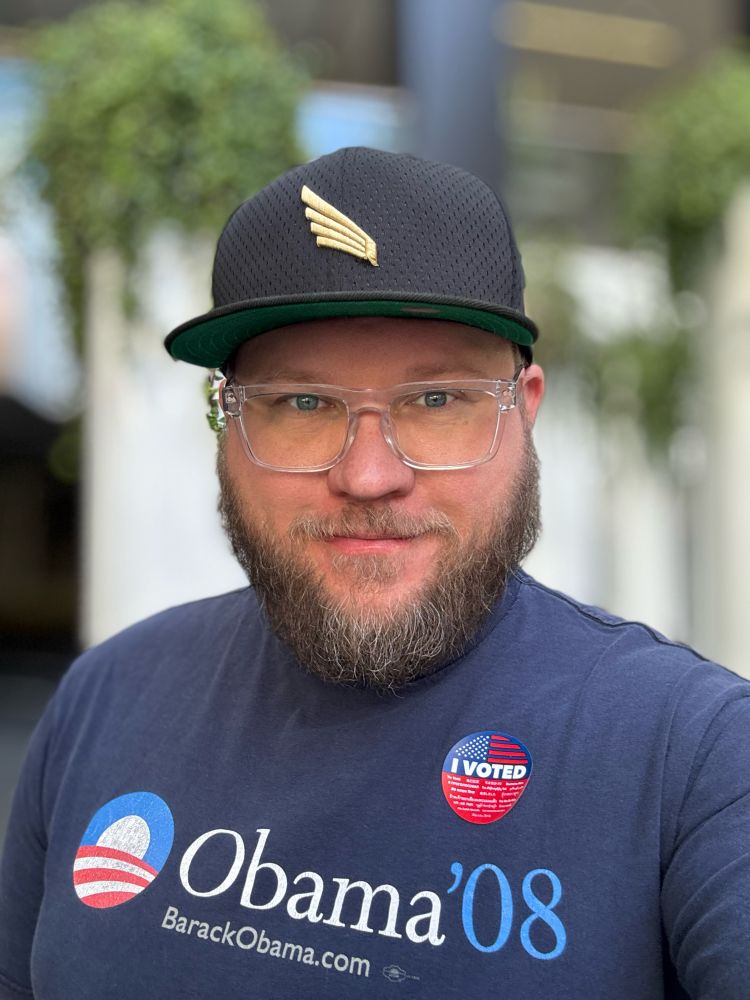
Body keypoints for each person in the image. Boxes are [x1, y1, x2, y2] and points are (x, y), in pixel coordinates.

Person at [0, 147, 748, 1000]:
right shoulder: (106, 698)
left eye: (435, 402)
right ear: (225, 425)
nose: (367, 476)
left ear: (525, 413)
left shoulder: (695, 759)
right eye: (302, 404)